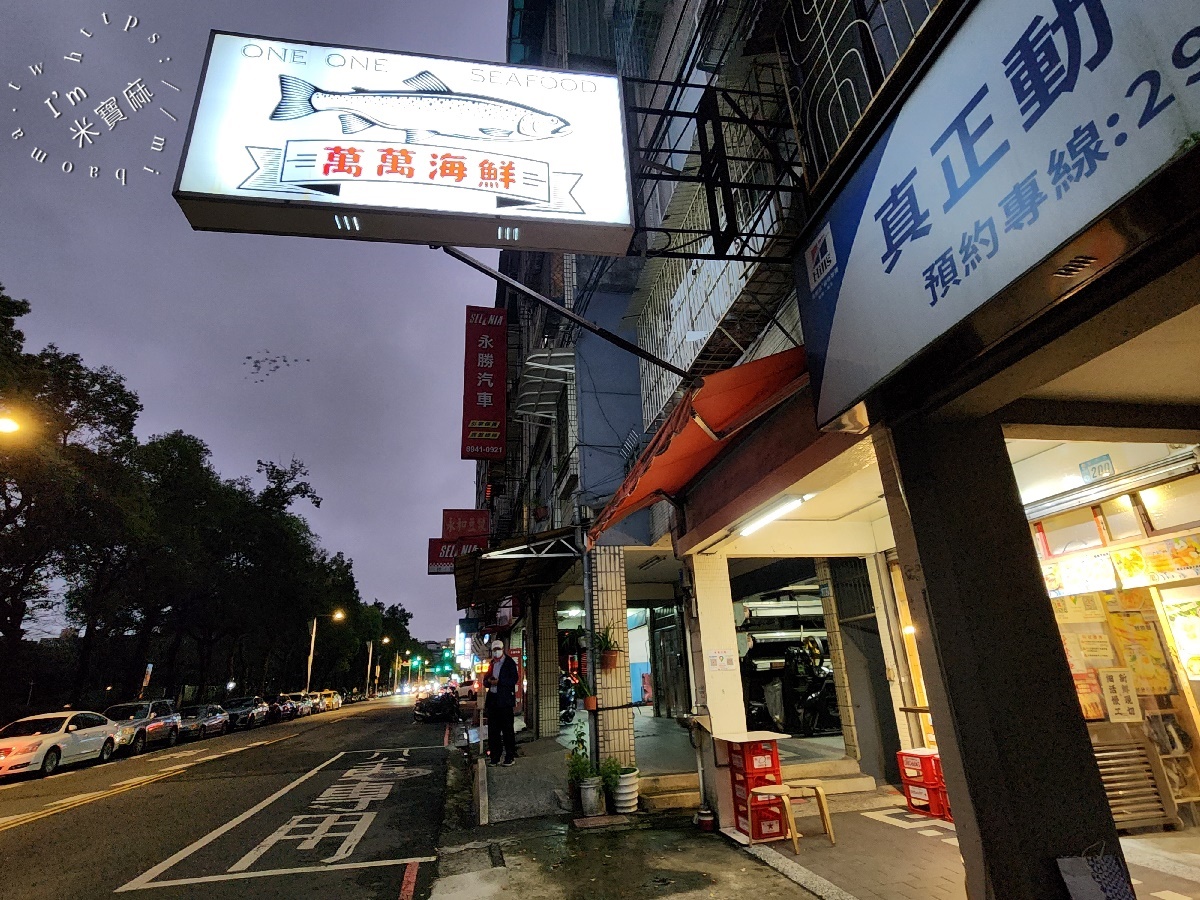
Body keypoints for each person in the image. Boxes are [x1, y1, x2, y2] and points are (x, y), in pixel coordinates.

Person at [482, 639, 518, 766]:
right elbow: (485, 680)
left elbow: (514, 679)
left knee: (507, 730)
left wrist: (500, 682)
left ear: (503, 649)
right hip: (493, 702)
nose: (496, 652)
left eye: (498, 649)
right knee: (493, 732)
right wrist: (489, 682)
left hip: (505, 702)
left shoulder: (509, 663)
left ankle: (509, 757)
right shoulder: (492, 664)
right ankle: (495, 757)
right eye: (494, 650)